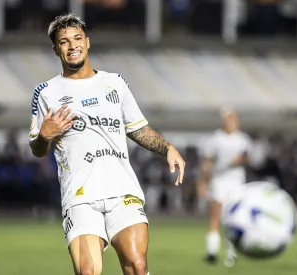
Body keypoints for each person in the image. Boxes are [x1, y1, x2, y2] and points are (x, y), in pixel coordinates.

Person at [28, 13, 186, 275]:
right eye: (64, 41)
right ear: (56, 48)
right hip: (80, 198)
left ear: (87, 42)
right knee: (88, 271)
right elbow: (37, 149)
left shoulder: (115, 83)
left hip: (121, 190)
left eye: (77, 38)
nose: (72, 45)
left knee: (137, 265)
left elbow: (137, 129)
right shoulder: (46, 92)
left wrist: (167, 147)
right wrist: (44, 136)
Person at [197, 109, 250, 267]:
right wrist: (202, 181)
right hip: (219, 181)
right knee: (215, 215)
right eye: (229, 119)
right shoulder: (215, 139)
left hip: (236, 182)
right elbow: (207, 162)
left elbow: (248, 158)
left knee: (234, 217)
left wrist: (240, 159)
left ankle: (231, 253)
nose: (231, 122)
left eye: (234, 119)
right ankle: (212, 252)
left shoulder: (242, 139)